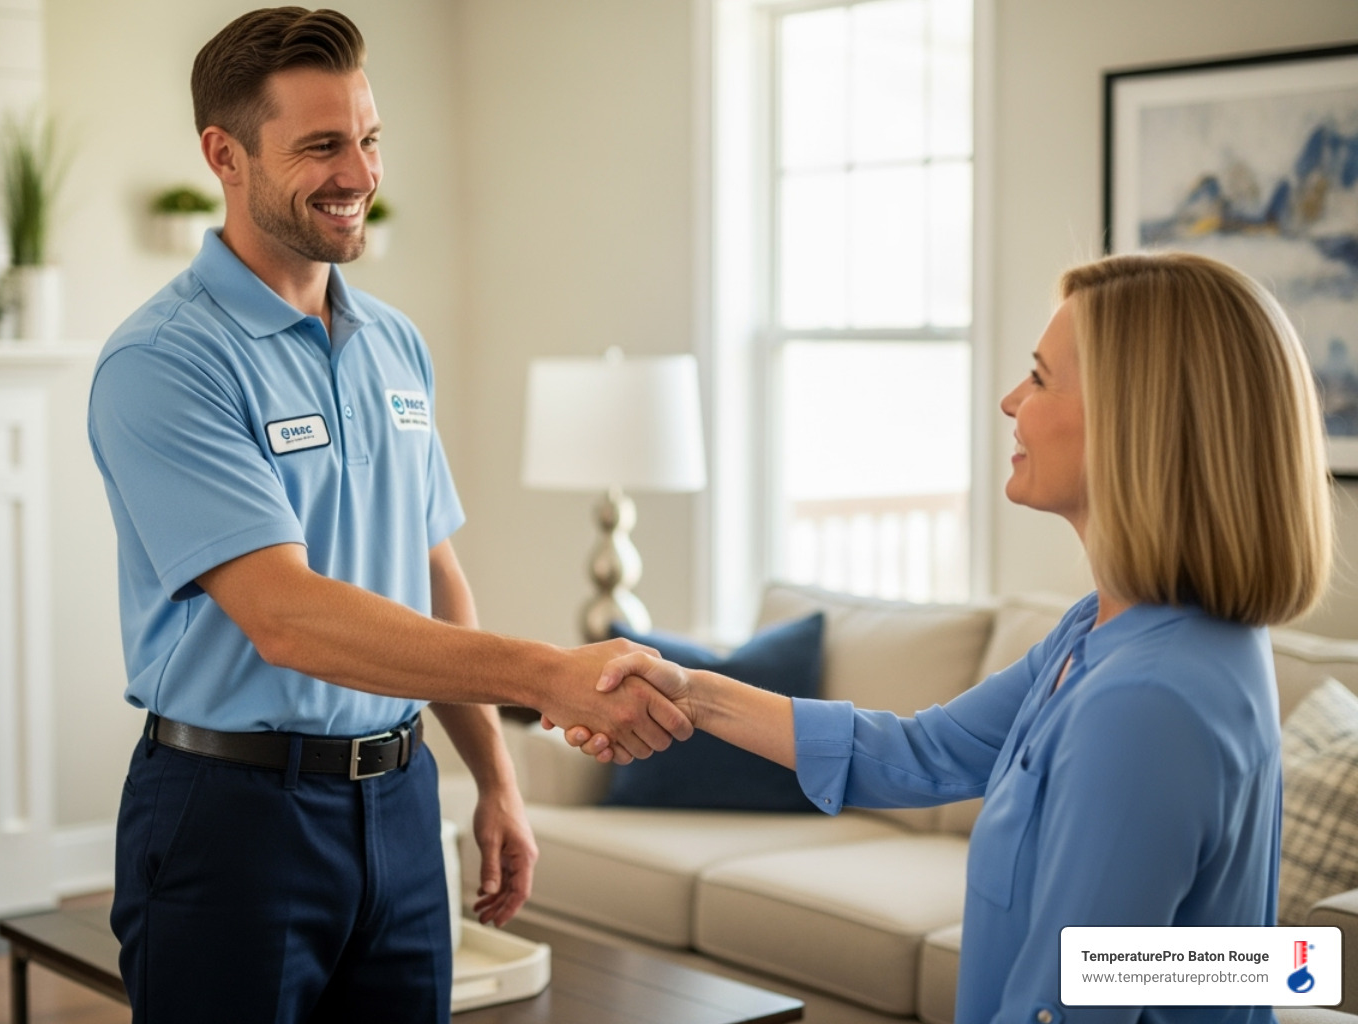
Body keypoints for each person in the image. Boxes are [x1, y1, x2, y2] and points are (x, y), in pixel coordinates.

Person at [87, 9, 689, 1023]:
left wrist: (494, 777)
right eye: (322, 145)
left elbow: (432, 569)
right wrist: (547, 674)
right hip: (234, 817)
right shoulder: (165, 362)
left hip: (402, 802)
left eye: (369, 139)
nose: (359, 172)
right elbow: (287, 617)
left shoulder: (395, 345)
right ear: (224, 155)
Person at [559, 251, 1333, 1024]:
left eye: (1040, 379)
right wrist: (696, 696)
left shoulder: (1145, 702)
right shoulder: (1109, 632)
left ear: (1135, 423)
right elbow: (921, 755)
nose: (1010, 400)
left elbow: (1062, 1011)